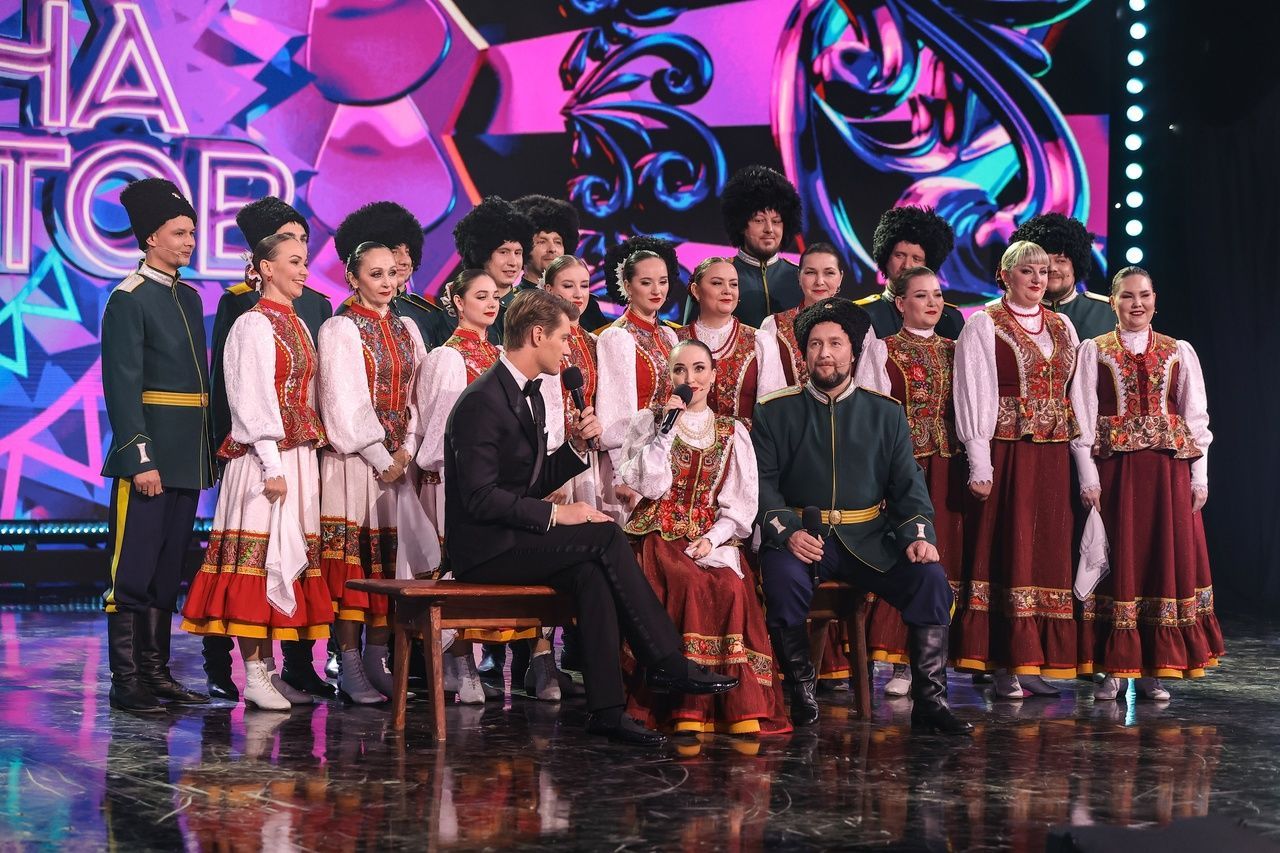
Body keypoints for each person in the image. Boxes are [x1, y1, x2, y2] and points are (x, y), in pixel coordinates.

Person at [443, 288, 738, 745]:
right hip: (484, 549)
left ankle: (607, 710)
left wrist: (576, 448)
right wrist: (558, 514)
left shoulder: (531, 394)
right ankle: (665, 659)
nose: (569, 349)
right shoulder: (482, 400)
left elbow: (525, 485)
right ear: (537, 335)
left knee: (591, 575)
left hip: (513, 536)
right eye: (564, 338)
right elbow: (481, 499)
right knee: (605, 536)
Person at [753, 298, 971, 735]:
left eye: (835, 344)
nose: (825, 354)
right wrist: (787, 532)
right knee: (782, 582)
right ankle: (802, 693)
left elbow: (907, 485)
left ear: (853, 351)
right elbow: (762, 483)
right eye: (815, 344)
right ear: (804, 353)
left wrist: (918, 534)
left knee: (929, 580)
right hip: (803, 538)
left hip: (870, 538)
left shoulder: (885, 412)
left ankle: (931, 701)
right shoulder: (774, 410)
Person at [181, 234, 333, 709]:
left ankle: (270, 671)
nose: (304, 271)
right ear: (265, 268)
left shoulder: (298, 323)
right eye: (294, 262)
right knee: (259, 557)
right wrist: (271, 462)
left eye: (305, 262)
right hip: (263, 460)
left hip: (296, 456)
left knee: (283, 559)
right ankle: (252, 672)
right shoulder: (252, 324)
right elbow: (250, 398)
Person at [618, 340, 791, 735]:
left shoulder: (732, 431)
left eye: (699, 369)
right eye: (680, 370)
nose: (690, 378)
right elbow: (649, 485)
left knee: (731, 585)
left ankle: (735, 705)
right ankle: (684, 706)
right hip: (659, 531)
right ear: (670, 376)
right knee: (688, 582)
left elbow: (740, 505)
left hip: (709, 535)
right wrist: (665, 431)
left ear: (713, 376)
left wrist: (713, 539)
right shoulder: (650, 422)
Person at [1070, 267, 1223, 701]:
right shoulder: (1094, 350)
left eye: (1144, 295)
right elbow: (1082, 418)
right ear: (1113, 302)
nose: (1137, 304)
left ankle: (1156, 666)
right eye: (1127, 296)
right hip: (1117, 476)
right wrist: (1088, 476)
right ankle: (1114, 669)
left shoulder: (1178, 351)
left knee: (1160, 561)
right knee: (1121, 561)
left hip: (1166, 476)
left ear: (1155, 299)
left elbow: (1196, 418)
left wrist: (1199, 476)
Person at [100, 177, 215, 713]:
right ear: (150, 237)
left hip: (186, 457)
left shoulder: (188, 297)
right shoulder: (129, 298)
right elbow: (122, 386)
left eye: (191, 232)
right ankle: (126, 681)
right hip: (150, 459)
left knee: (167, 571)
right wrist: (139, 455)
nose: (190, 242)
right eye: (179, 233)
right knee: (132, 570)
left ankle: (156, 673)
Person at [953, 240, 1080, 699]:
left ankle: (1034, 657)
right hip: (1007, 452)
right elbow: (973, 390)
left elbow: (1075, 394)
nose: (1037, 279)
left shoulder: (1062, 324)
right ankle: (1004, 662)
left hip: (1052, 455)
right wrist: (979, 459)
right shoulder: (984, 323)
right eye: (1027, 271)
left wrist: (1084, 462)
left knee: (1045, 548)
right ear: (1005, 276)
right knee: (1007, 546)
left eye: (1043, 271)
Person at [415, 268, 547, 702]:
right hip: (450, 481)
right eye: (481, 296)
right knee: (454, 571)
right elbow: (437, 432)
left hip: (494, 485)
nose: (491, 304)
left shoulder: (499, 356)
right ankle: (461, 665)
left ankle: (482, 664)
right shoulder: (446, 357)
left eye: (495, 297)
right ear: (458, 301)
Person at [317, 241, 429, 704]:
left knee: (389, 563)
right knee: (354, 564)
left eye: (392, 274)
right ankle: (348, 663)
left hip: (399, 463)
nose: (387, 283)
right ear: (353, 277)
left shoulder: (407, 327)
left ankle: (376, 659)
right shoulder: (340, 328)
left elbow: (421, 396)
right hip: (355, 463)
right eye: (376, 274)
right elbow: (343, 403)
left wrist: (407, 449)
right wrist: (383, 458)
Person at [854, 266, 971, 698]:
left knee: (945, 558)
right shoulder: (883, 350)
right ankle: (896, 657)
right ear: (901, 303)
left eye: (937, 295)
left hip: (948, 466)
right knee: (907, 554)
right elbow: (870, 417)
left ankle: (929, 659)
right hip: (906, 469)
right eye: (922, 296)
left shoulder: (957, 350)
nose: (933, 303)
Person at [596, 240, 682, 518]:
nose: (657, 290)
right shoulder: (617, 336)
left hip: (666, 453)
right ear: (627, 285)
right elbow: (614, 414)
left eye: (662, 282)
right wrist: (623, 475)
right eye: (646, 282)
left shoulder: (669, 336)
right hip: (632, 463)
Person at [676, 257, 786, 427]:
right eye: (717, 283)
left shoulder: (760, 341)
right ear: (696, 291)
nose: (727, 290)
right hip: (683, 440)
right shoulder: (674, 340)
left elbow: (773, 414)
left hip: (745, 442)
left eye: (733, 284)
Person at [691, 165, 802, 328]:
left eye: (776, 221)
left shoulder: (801, 278)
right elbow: (689, 336)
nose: (769, 229)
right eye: (759, 220)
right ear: (741, 224)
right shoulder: (713, 276)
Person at [332, 201, 445, 347]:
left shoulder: (427, 312)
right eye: (394, 252)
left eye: (408, 252)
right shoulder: (349, 315)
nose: (405, 260)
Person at [855, 206, 965, 339]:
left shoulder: (951, 320)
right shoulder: (863, 314)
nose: (907, 265)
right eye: (899, 255)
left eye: (916, 259)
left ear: (928, 265)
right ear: (885, 257)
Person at [512, 194, 608, 333]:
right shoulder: (514, 304)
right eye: (542, 241)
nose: (552, 249)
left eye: (558, 242)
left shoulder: (587, 306)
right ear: (523, 247)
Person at [1010, 212, 1113, 341]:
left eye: (1061, 260)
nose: (1052, 268)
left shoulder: (1110, 313)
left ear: (1076, 265)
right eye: (1043, 261)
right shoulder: (1003, 314)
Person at [761, 242, 848, 387]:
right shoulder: (775, 327)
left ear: (840, 278)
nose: (819, 281)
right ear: (799, 276)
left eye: (829, 273)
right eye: (810, 272)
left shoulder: (858, 325)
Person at [452, 195, 534, 342]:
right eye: (503, 252)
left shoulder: (532, 311)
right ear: (481, 254)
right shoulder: (454, 313)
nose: (513, 262)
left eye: (518, 253)